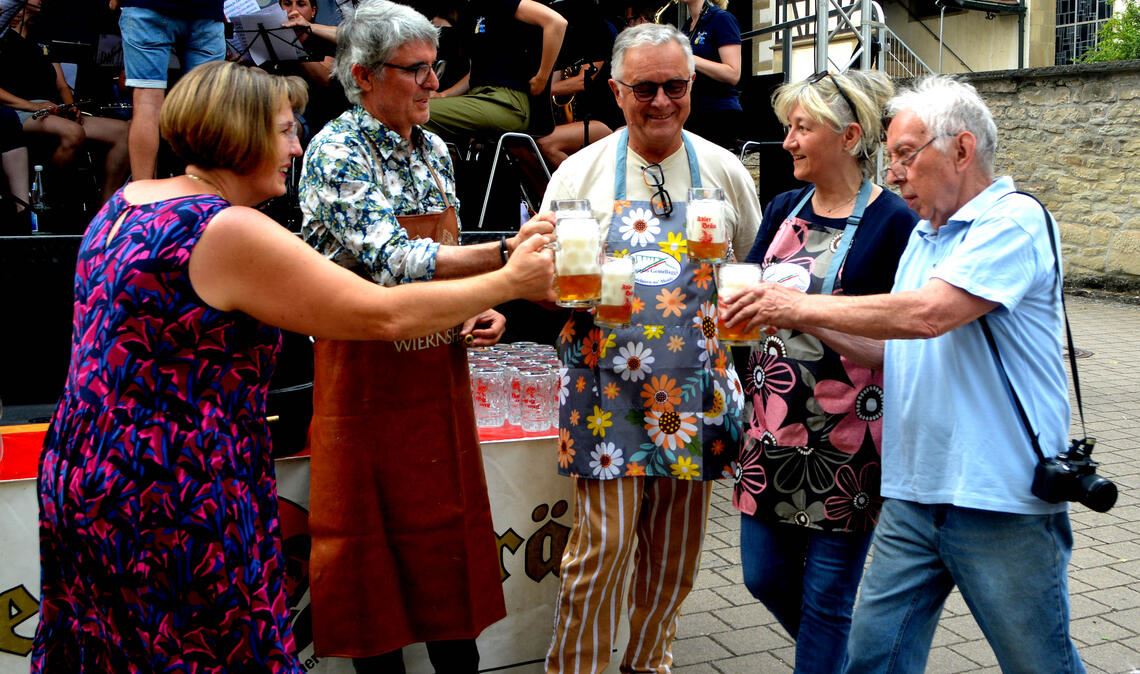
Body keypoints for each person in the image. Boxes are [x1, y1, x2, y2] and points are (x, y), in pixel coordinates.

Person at [31, 60, 555, 672]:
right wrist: (509, 280)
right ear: (241, 133)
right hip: (172, 491)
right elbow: (379, 315)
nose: (297, 146)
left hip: (87, 468)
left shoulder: (130, 200)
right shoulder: (225, 230)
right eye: (284, 130)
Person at [720, 74, 1087, 673]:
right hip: (914, 492)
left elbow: (928, 315)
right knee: (873, 656)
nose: (892, 174)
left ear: (961, 150)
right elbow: (892, 350)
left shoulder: (1013, 221)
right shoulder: (924, 233)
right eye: (890, 157)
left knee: (1037, 662)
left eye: (905, 156)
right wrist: (798, 325)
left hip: (998, 496)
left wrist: (791, 305)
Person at [297, 2, 555, 671]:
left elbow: (443, 254)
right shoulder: (336, 149)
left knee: (447, 542)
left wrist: (477, 308)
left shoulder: (435, 146)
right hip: (362, 374)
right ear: (364, 75)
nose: (432, 83)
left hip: (435, 377)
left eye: (433, 66)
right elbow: (395, 260)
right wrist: (505, 264)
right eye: (414, 70)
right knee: (367, 552)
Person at [543, 23, 761, 674]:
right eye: (645, 87)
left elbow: (746, 263)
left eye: (676, 85)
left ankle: (648, 663)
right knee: (601, 548)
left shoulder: (722, 171)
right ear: (615, 90)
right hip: (604, 387)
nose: (662, 100)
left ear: (693, 85)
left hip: (690, 389)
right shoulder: (579, 175)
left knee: (672, 556)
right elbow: (539, 274)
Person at [732, 69, 916, 674]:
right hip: (771, 432)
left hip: (848, 442)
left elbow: (901, 343)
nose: (787, 141)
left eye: (801, 128)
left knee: (828, 600)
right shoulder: (784, 207)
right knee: (762, 576)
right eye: (788, 127)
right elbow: (755, 299)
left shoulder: (893, 222)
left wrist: (805, 317)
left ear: (849, 136)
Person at [0, 0, 128, 203]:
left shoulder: (41, 36)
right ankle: (50, 196)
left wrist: (71, 106)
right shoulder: (4, 37)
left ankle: (106, 206)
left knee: (124, 131)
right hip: (19, 109)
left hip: (51, 108)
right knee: (73, 133)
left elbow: (61, 84)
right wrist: (33, 106)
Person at [114, 0, 226, 180]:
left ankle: (143, 197)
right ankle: (203, 196)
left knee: (146, 105)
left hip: (146, 7)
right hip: (206, 10)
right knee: (205, 109)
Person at [423, 0, 566, 140]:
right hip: (479, 97)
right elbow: (476, 72)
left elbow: (556, 23)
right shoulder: (471, 10)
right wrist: (444, 95)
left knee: (410, 113)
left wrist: (542, 78)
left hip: (508, 103)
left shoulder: (500, 3)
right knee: (415, 111)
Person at [680, 0, 743, 150]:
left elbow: (733, 73)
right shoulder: (686, 27)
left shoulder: (722, 19)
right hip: (694, 112)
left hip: (718, 113)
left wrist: (692, 59)